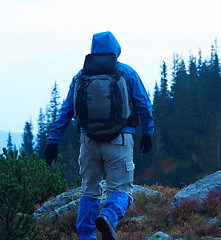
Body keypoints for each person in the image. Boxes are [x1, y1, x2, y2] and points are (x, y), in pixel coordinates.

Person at [44, 31, 154, 240]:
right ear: (116, 49)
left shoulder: (80, 76)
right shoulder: (127, 73)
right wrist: (147, 133)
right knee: (121, 190)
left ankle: (86, 235)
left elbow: (66, 111)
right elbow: (143, 104)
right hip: (119, 140)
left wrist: (53, 142)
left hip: (88, 141)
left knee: (89, 190)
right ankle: (108, 216)